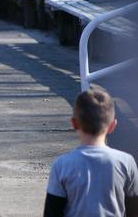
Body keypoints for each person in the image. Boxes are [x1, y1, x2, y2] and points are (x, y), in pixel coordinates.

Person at [43, 88, 138, 217]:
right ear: (112, 126)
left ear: (74, 123)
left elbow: (52, 212)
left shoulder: (61, 165)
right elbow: (133, 210)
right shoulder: (126, 162)